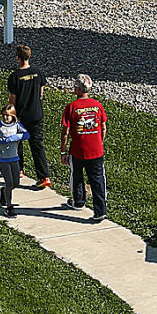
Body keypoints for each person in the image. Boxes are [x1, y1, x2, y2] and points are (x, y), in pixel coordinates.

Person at [60, 74, 109, 220]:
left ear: (78, 89)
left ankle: (78, 201)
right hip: (96, 151)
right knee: (98, 180)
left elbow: (65, 132)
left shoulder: (71, 107)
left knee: (77, 176)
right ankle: (100, 211)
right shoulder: (98, 105)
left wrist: (63, 151)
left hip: (77, 151)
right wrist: (99, 142)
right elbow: (103, 127)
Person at [7, 45, 50, 189]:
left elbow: (13, 99)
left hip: (21, 116)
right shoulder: (38, 73)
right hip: (37, 114)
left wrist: (12, 115)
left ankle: (18, 169)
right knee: (37, 145)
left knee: (17, 142)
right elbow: (41, 94)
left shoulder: (14, 77)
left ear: (18, 58)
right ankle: (44, 176)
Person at [0, 105, 30, 216]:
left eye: (8, 115)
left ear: (13, 116)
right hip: (3, 159)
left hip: (14, 158)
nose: (6, 117)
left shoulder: (17, 125)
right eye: (4, 115)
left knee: (16, 183)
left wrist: (17, 137)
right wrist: (2, 141)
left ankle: (4, 191)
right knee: (9, 182)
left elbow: (27, 134)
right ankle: (9, 206)